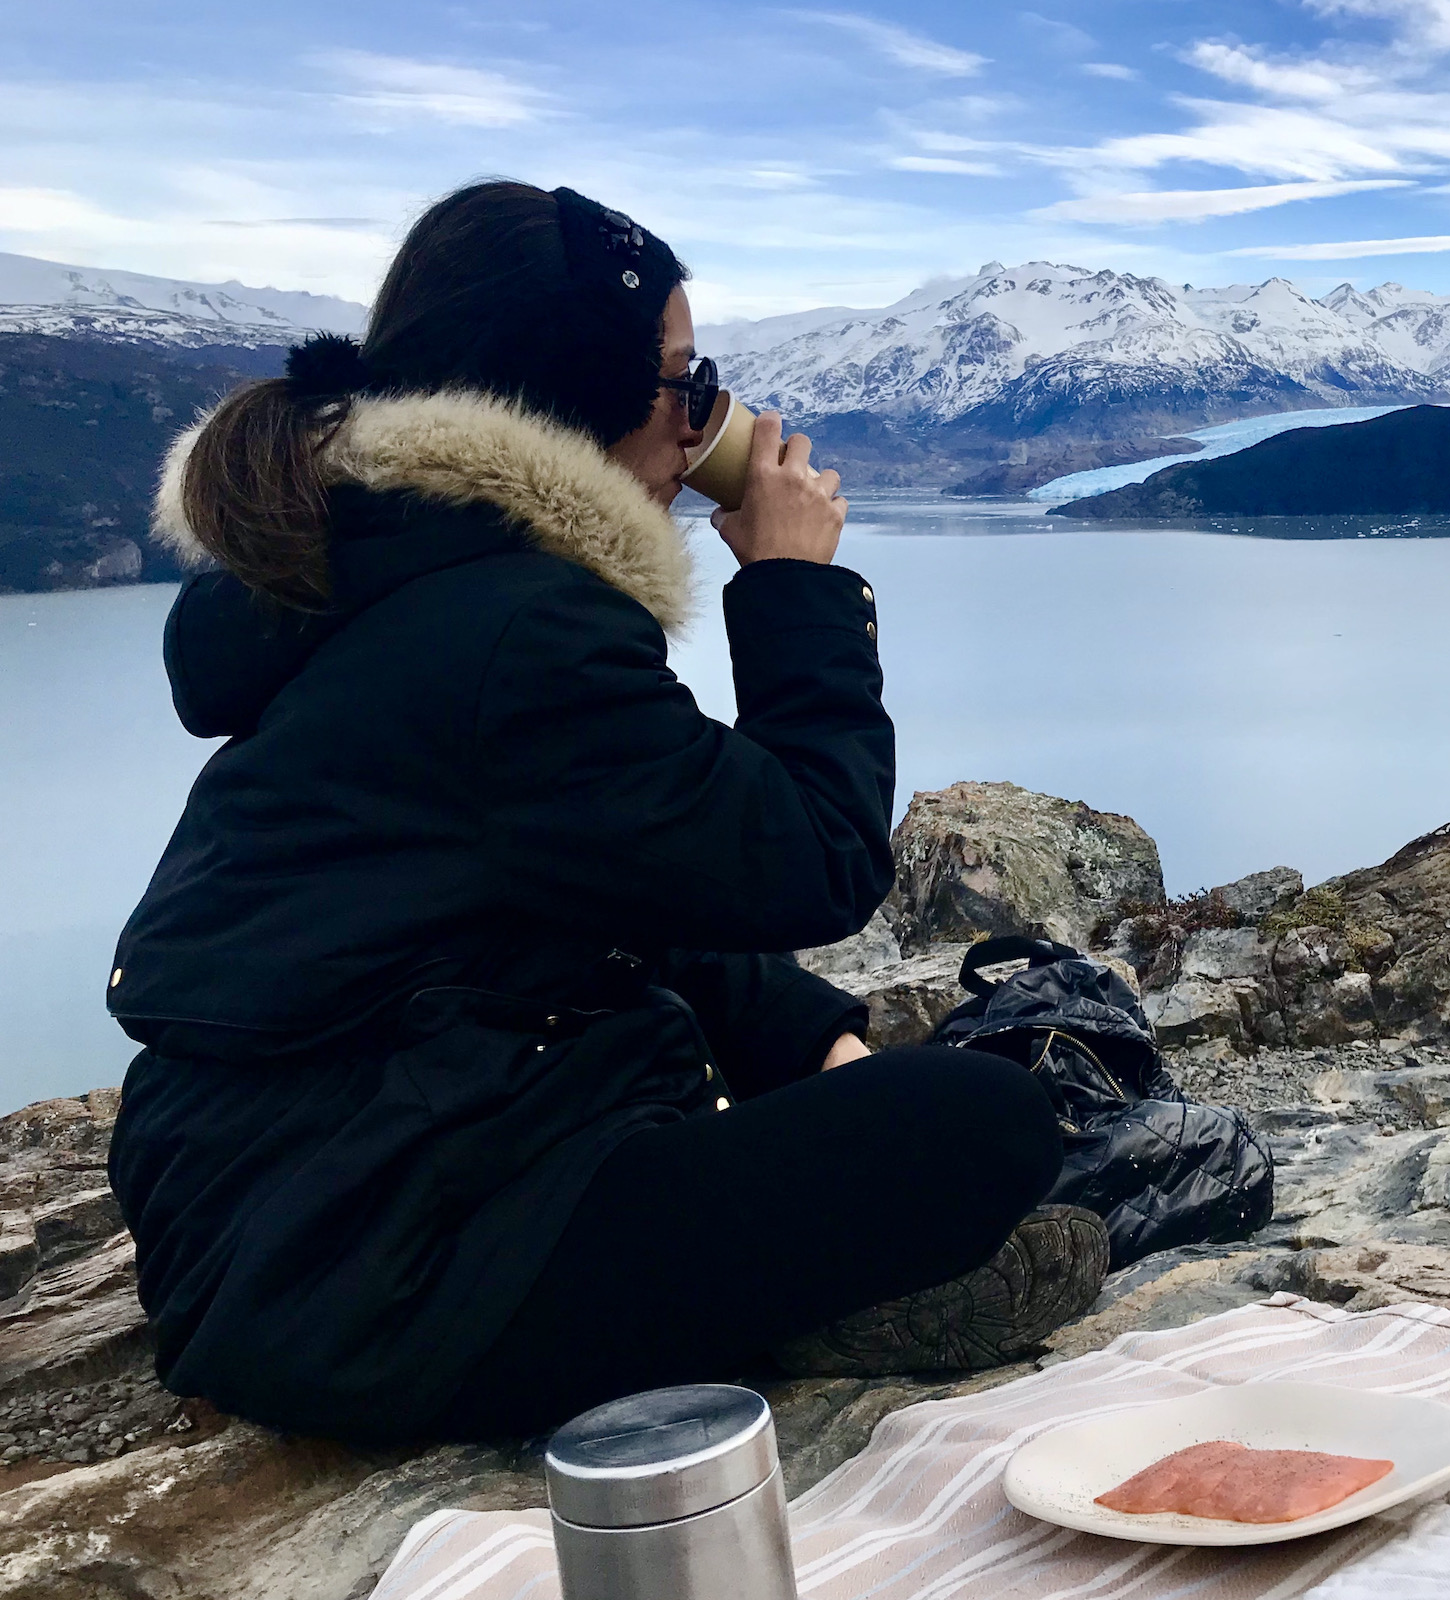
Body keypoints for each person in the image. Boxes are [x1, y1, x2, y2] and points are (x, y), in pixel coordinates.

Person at [103, 180, 1107, 1444]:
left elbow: (608, 864)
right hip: (382, 1273)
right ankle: (803, 1324)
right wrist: (799, 589)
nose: (703, 426)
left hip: (282, 1214)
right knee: (986, 1126)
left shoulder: (382, 567)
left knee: (877, 1111)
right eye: (684, 381)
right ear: (575, 401)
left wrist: (807, 1040)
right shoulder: (519, 626)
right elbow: (816, 856)